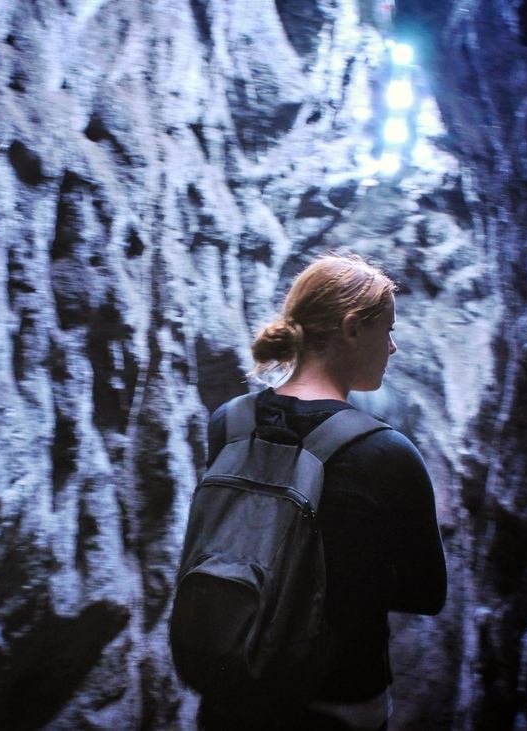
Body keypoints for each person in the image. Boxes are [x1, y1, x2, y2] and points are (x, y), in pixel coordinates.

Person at [196, 251, 447, 730]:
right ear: (353, 328)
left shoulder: (230, 421)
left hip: (235, 688)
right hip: (338, 702)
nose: (392, 347)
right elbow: (427, 593)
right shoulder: (387, 453)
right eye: (387, 330)